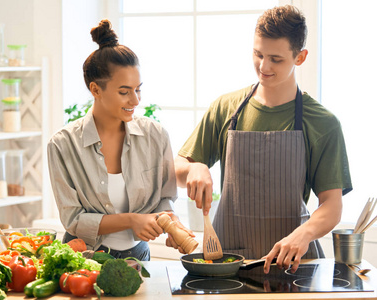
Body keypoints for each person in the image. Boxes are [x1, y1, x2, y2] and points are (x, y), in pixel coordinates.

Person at [174, 5, 352, 273]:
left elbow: (332, 204)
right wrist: (194, 167)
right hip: (227, 261)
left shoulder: (322, 123)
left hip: (292, 264)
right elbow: (177, 168)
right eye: (258, 54)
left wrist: (303, 234)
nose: (263, 66)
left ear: (300, 57)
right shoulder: (226, 108)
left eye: (276, 59)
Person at [48, 19, 185, 261]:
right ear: (96, 90)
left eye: (138, 89)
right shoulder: (62, 144)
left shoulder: (156, 136)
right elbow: (73, 219)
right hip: (82, 259)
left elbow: (165, 198)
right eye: (124, 91)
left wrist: (171, 223)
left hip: (138, 258)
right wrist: (131, 220)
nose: (135, 101)